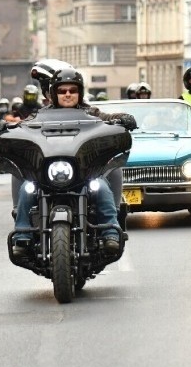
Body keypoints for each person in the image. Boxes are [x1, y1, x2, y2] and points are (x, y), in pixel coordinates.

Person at [11, 67, 137, 257]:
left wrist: (122, 118)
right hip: (49, 173)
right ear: (54, 93)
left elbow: (107, 118)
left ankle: (111, 232)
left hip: (83, 173)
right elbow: (22, 126)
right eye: (62, 91)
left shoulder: (90, 112)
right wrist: (5, 127)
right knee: (27, 188)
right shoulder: (40, 116)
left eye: (73, 90)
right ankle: (21, 235)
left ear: (80, 92)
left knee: (101, 187)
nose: (67, 94)